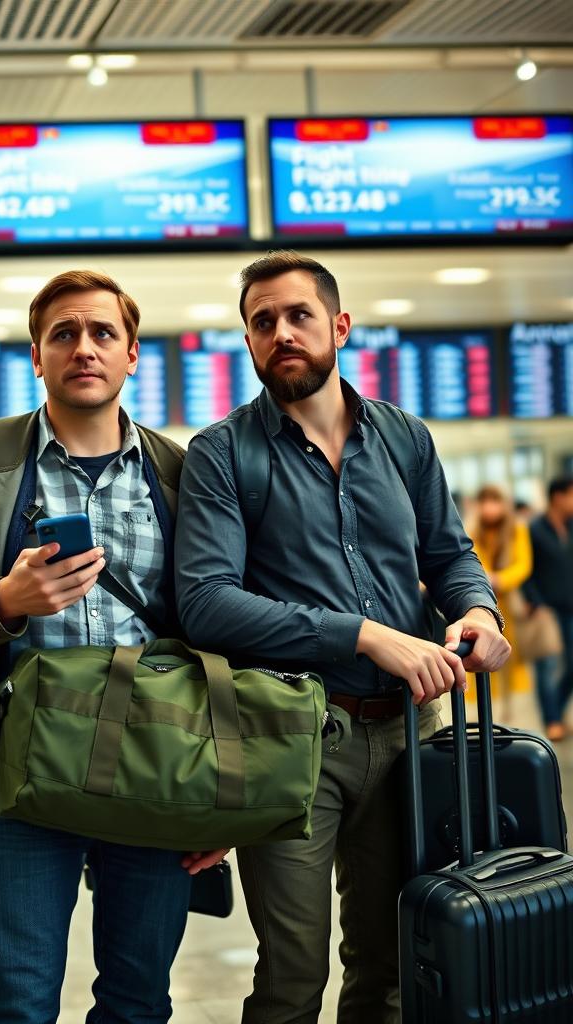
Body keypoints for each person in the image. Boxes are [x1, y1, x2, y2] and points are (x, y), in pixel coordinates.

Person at [175, 250, 510, 1024]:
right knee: (293, 976)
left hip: (407, 738)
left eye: (298, 315)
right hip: (290, 738)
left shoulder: (404, 438)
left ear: (340, 325)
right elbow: (207, 603)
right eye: (263, 322)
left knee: (391, 967)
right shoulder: (222, 454)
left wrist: (478, 612)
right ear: (250, 342)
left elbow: (450, 554)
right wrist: (363, 634)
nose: (282, 332)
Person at [0, 270, 213, 1023]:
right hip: (24, 766)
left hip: (156, 760)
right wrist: (6, 602)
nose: (85, 348)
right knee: (15, 1003)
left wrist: (217, 794)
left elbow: (214, 625)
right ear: (38, 356)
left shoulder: (180, 473)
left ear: (133, 353)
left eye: (103, 333)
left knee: (139, 1000)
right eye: (63, 334)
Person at [467, 484, 533, 713]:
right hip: (482, 602)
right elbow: (469, 559)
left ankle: (508, 707)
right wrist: (486, 579)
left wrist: (501, 580)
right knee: (484, 653)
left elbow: (524, 564)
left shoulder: (517, 528)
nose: (489, 507)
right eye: (484, 501)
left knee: (511, 657)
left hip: (509, 601)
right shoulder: (472, 529)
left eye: (494, 500)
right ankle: (488, 709)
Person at [524, 477, 573, 740]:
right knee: (546, 666)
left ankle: (557, 709)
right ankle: (552, 719)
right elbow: (527, 571)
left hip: (570, 608)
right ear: (558, 497)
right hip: (546, 611)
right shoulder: (535, 529)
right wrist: (536, 602)